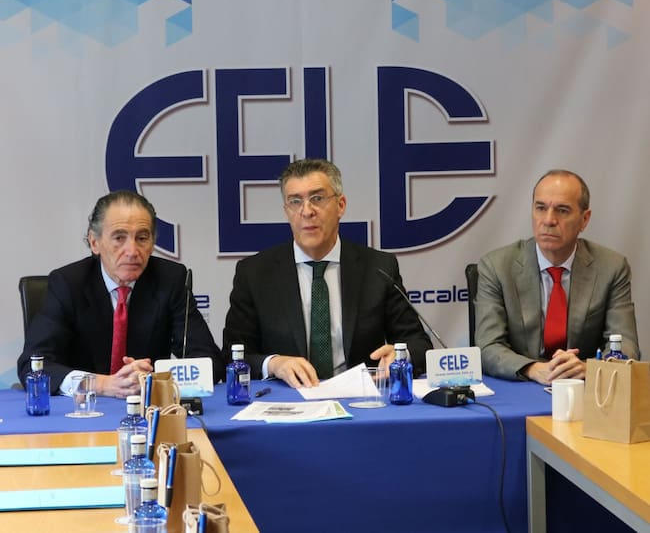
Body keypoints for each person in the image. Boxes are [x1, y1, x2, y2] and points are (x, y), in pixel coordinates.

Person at [222, 158, 432, 388]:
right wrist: (273, 364)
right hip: (288, 400)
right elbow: (232, 355)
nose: (306, 211)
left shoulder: (378, 267)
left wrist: (400, 355)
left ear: (341, 205)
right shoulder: (255, 273)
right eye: (295, 201)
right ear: (286, 211)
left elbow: (418, 343)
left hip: (361, 399)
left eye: (317, 198)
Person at [17, 190, 226, 397]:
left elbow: (209, 361)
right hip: (84, 408)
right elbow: (33, 365)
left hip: (147, 408)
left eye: (142, 238)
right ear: (94, 242)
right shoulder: (68, 283)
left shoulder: (170, 280)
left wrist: (153, 380)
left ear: (152, 243)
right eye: (119, 238)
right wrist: (102, 384)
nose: (132, 251)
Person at [475, 169, 639, 385]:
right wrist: (534, 369)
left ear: (584, 219)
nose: (549, 220)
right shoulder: (497, 266)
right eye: (540, 208)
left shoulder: (611, 267)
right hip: (522, 385)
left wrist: (589, 368)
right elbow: (487, 347)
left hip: (582, 386)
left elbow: (626, 344)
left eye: (562, 210)